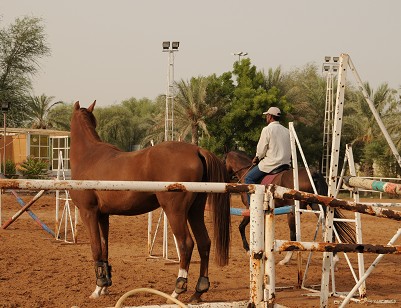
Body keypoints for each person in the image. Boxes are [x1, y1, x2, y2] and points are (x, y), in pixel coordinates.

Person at [245, 106, 292, 204]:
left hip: (272, 164)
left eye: (267, 116)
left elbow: (261, 150)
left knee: (248, 178)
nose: (266, 117)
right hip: (286, 164)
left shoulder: (267, 129)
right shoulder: (287, 131)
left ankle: (253, 207)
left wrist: (257, 158)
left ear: (270, 116)